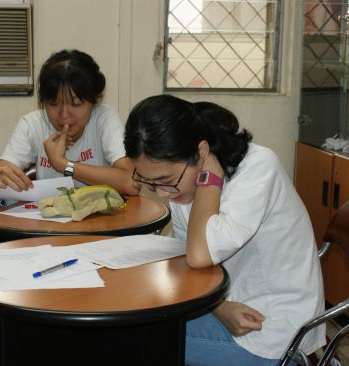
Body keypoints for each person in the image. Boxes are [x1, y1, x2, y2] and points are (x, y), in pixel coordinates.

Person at [124, 94, 325, 365]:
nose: (162, 192)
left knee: (133, 339)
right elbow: (193, 266)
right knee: (136, 318)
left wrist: (210, 179)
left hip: (271, 330)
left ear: (202, 152)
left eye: (166, 180)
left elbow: (198, 256)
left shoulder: (258, 168)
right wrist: (218, 307)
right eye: (149, 183)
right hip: (228, 305)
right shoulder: (183, 185)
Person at [0, 49, 139, 196]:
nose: (64, 115)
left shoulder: (103, 118)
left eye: (76, 104)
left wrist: (62, 164)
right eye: (53, 103)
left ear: (94, 101)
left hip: (100, 222)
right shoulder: (32, 124)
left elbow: (132, 183)